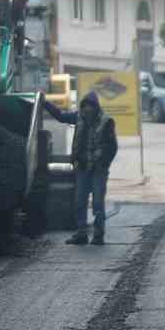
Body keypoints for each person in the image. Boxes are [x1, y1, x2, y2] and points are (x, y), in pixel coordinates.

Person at [65, 91, 119, 246]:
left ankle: (98, 235)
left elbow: (112, 147)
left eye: (90, 108)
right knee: (80, 202)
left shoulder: (106, 121)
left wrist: (104, 164)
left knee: (97, 204)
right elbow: (61, 116)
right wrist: (45, 103)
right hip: (82, 168)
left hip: (98, 170)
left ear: (95, 108)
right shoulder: (79, 117)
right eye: (85, 108)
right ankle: (81, 234)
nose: (87, 111)